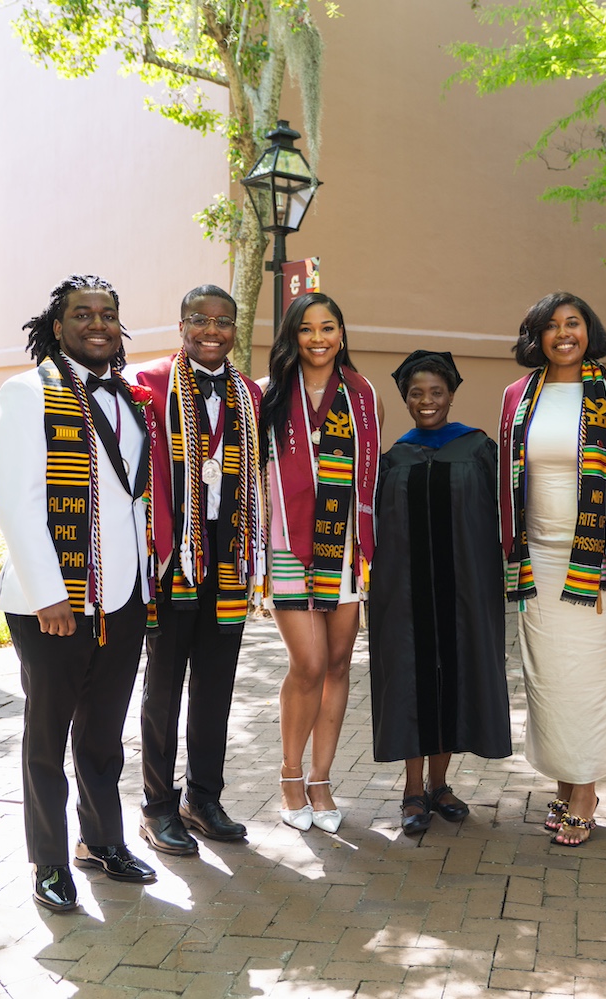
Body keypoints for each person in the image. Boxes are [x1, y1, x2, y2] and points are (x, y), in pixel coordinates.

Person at [0, 274, 156, 912]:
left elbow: (133, 499)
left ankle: (102, 842)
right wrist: (49, 593)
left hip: (122, 597)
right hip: (53, 601)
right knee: (47, 735)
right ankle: (50, 862)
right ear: (56, 327)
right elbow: (18, 500)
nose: (97, 324)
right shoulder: (26, 392)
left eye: (107, 315)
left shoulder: (127, 398)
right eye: (81, 314)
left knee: (104, 734)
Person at [132, 284, 264, 855]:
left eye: (223, 322)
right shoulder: (152, 383)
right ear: (181, 324)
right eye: (199, 320)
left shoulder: (248, 395)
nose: (212, 331)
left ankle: (203, 797)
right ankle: (157, 806)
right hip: (174, 547)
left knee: (217, 679)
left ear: (236, 329)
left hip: (228, 550)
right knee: (164, 681)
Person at [499, 291, 606, 847]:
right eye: (550, 326)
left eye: (573, 323)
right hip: (537, 559)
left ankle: (585, 791)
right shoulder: (516, 395)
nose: (563, 334)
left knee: (594, 678)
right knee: (549, 682)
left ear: (589, 330)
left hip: (594, 558)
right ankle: (564, 780)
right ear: (536, 336)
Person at [369, 350, 511, 835]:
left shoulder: (478, 450)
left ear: (451, 394)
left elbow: (502, 517)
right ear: (405, 399)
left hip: (464, 590)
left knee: (453, 677)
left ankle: (439, 784)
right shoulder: (393, 459)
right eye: (416, 393)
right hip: (405, 594)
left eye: (436, 392)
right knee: (411, 679)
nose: (426, 402)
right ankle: (412, 790)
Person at [261, 292, 383, 834]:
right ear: (293, 335)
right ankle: (290, 777)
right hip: (287, 545)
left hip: (346, 549)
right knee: (307, 665)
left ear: (341, 333)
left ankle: (322, 778)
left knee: (337, 665)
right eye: (306, 329)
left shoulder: (362, 395)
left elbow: (370, 476)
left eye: (327, 327)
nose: (317, 338)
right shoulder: (268, 396)